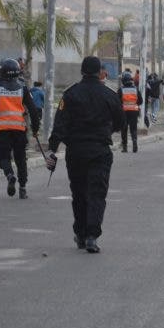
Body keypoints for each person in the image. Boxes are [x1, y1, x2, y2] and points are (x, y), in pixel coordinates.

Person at [47, 56, 125, 253]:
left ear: (82, 71)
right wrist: (107, 130)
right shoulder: (109, 95)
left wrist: (52, 149)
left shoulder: (70, 94)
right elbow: (120, 122)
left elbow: (60, 124)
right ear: (100, 72)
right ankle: (92, 236)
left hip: (76, 152)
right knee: (97, 194)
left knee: (79, 194)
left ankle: (80, 234)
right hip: (100, 151)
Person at [0, 59, 41, 200]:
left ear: (2, 72)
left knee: (4, 157)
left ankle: (9, 175)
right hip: (19, 130)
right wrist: (35, 128)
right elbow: (33, 110)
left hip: (2, 130)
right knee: (21, 160)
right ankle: (23, 189)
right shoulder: (23, 88)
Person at [117, 71, 143, 152]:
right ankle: (134, 143)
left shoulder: (121, 90)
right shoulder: (136, 89)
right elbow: (140, 101)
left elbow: (117, 102)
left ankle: (125, 147)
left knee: (124, 129)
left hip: (124, 112)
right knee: (133, 129)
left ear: (123, 80)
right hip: (134, 112)